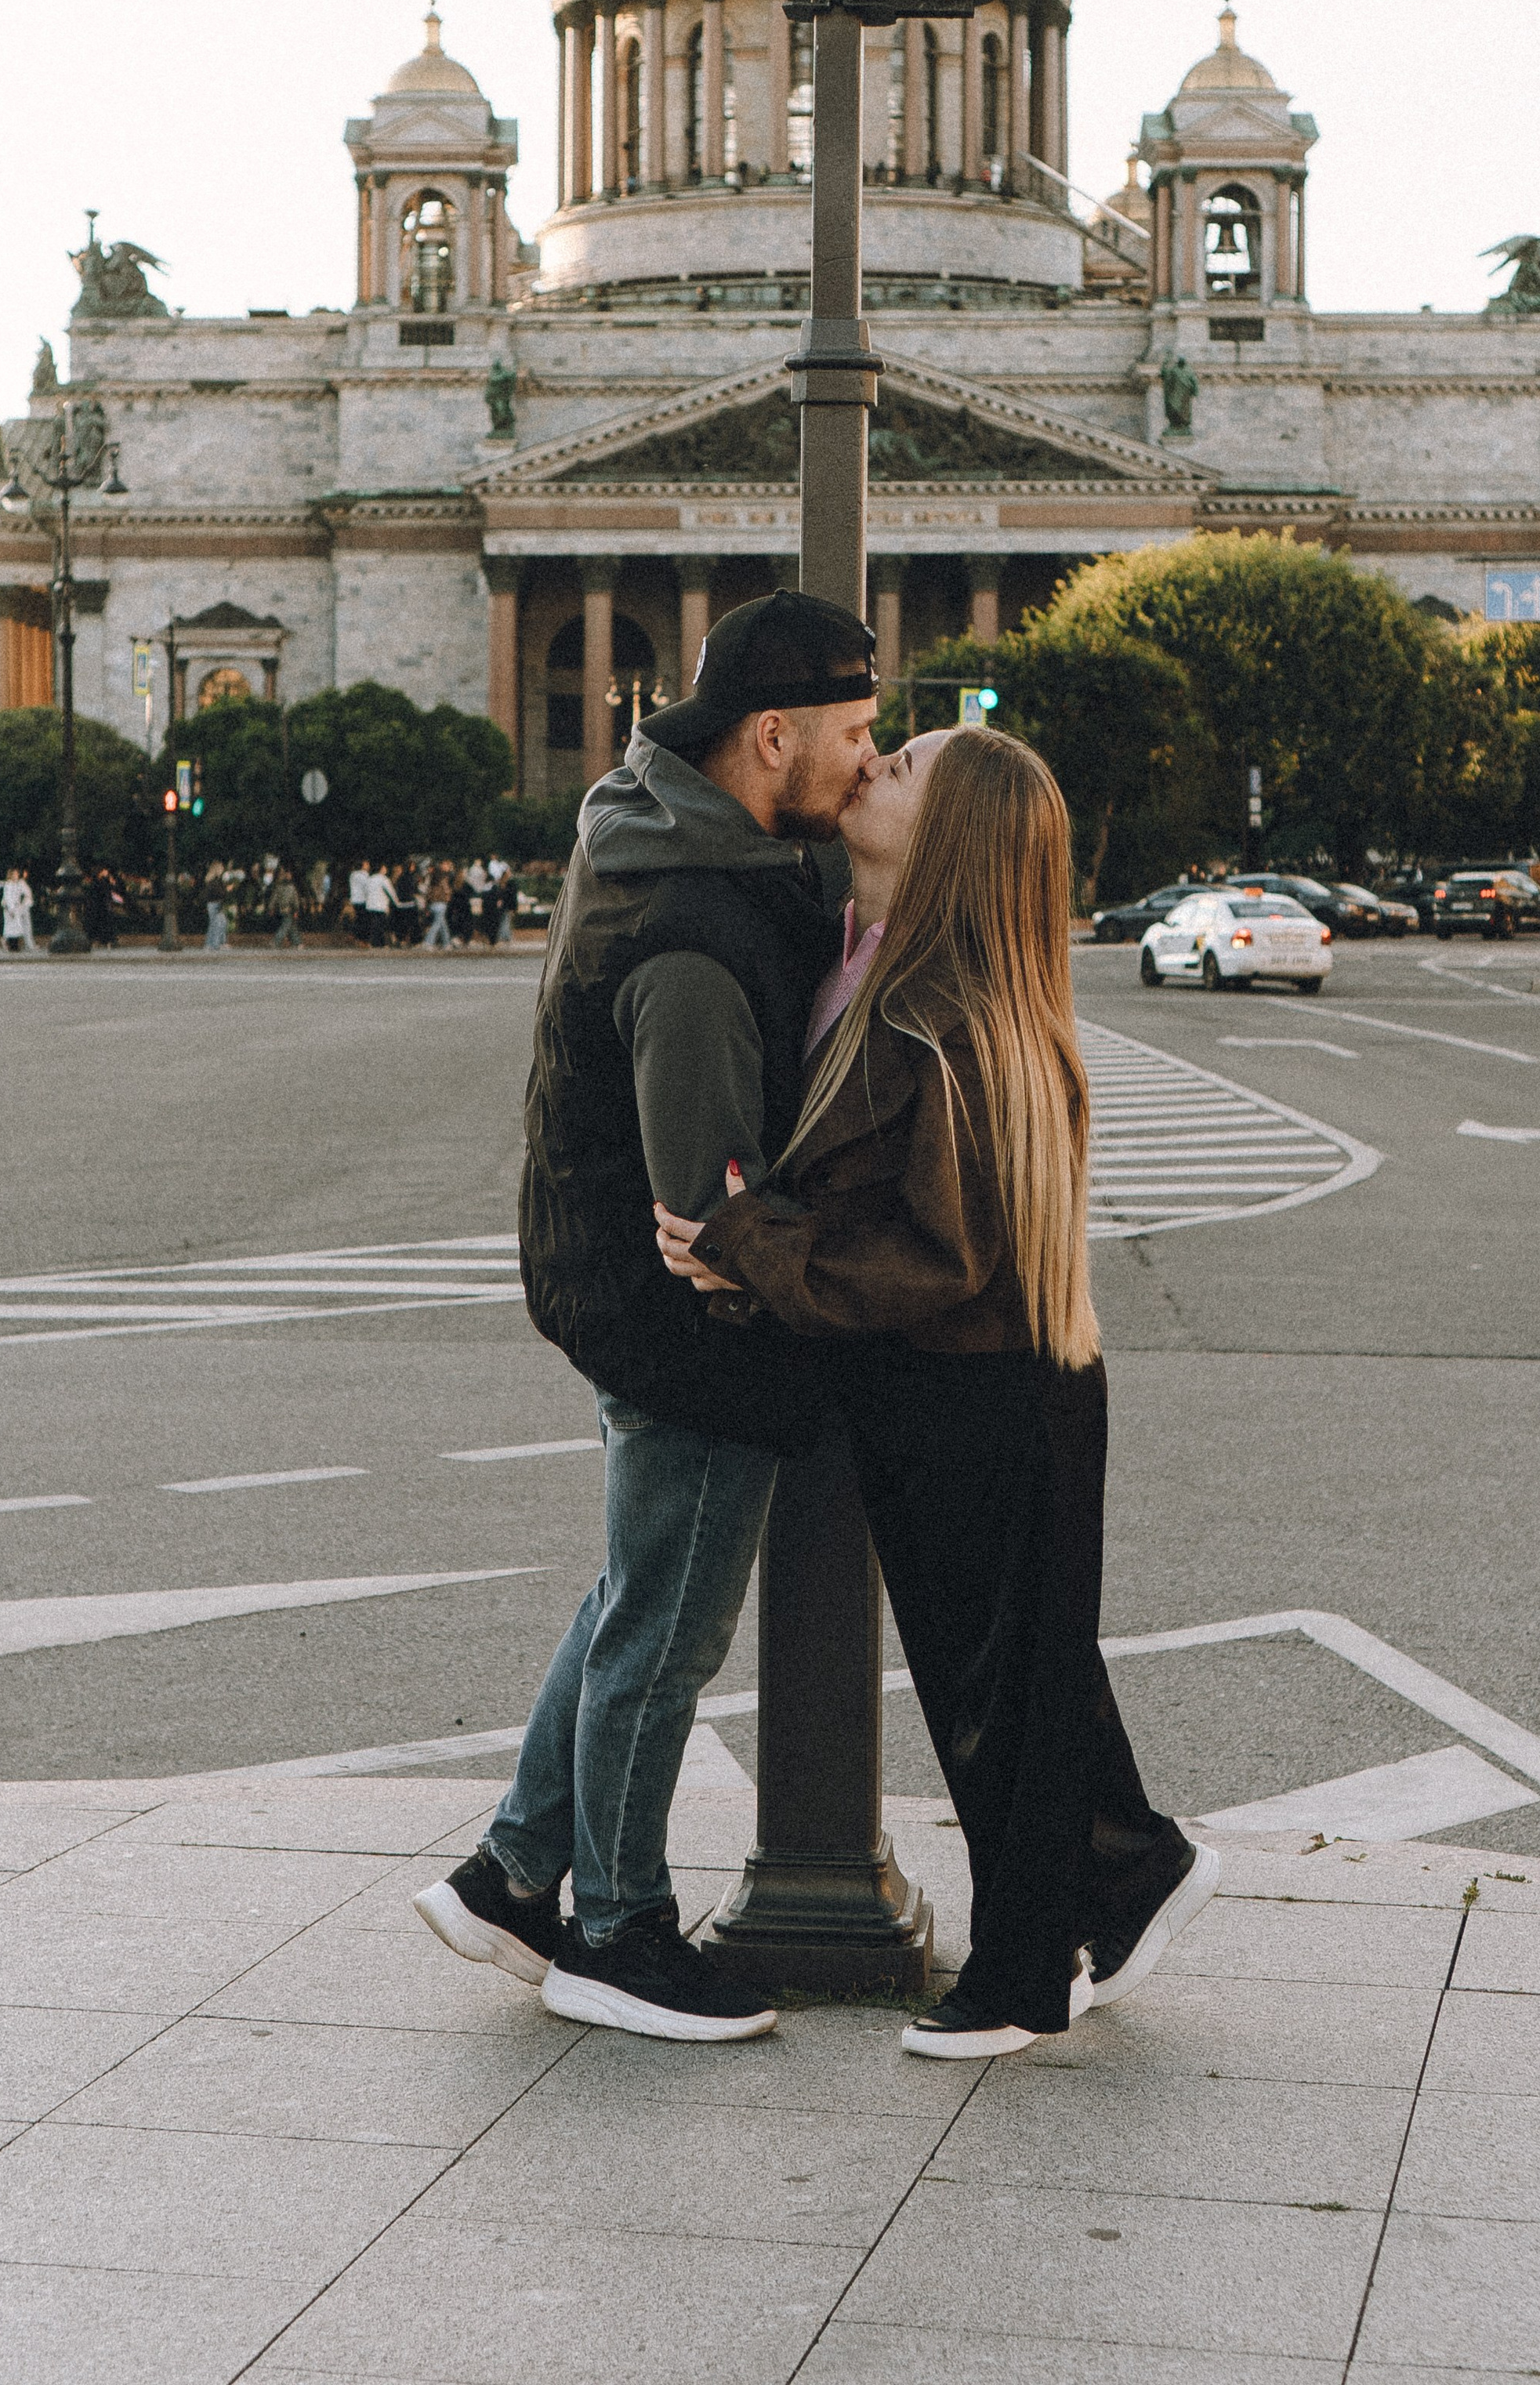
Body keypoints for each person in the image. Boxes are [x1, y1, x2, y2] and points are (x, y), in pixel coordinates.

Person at [657, 725, 1213, 2060]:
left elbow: (942, 1254)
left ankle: (1025, 1975)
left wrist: (751, 1249)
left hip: (977, 1381)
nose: (871, 773)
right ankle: (1128, 1871)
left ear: (952, 836)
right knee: (1018, 1670)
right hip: (962, 1385)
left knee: (1000, 1688)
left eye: (900, 767)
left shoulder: (942, 1010)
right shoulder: (895, 969)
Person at [415, 589, 881, 2046]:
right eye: (857, 738)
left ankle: (512, 1871)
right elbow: (708, 1214)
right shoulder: (692, 927)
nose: (872, 765)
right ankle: (615, 1929)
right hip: (673, 1325)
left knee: (634, 1590)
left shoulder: (681, 844)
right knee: (667, 1631)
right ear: (772, 735)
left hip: (605, 1290)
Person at [2, 866, 36, 955]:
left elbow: (26, 894)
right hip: (10, 909)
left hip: (17, 908)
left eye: (16, 874)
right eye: (13, 874)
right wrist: (11, 909)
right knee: (10, 928)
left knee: (16, 928)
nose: (15, 876)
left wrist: (23, 904)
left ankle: (15, 945)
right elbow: (8, 898)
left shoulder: (19, 884)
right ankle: (9, 944)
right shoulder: (8, 885)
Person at [421, 864, 452, 950]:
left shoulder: (432, 882)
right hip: (441, 904)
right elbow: (447, 891)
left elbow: (428, 894)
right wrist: (448, 899)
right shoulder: (443, 880)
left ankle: (447, 943)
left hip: (432, 904)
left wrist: (427, 906)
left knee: (443, 924)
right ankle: (428, 942)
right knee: (437, 924)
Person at [272, 863, 302, 948]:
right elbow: (295, 900)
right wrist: (296, 910)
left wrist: (272, 908)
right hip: (289, 909)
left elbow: (274, 898)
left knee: (291, 926)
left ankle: (298, 943)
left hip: (281, 909)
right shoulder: (292, 887)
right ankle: (276, 941)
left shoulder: (279, 886)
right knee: (285, 926)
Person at [202, 866, 229, 954]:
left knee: (221, 923)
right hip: (214, 904)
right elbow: (218, 892)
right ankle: (213, 944)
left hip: (217, 904)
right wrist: (226, 890)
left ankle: (218, 943)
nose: (222, 870)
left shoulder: (216, 880)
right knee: (215, 924)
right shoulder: (213, 882)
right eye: (220, 868)